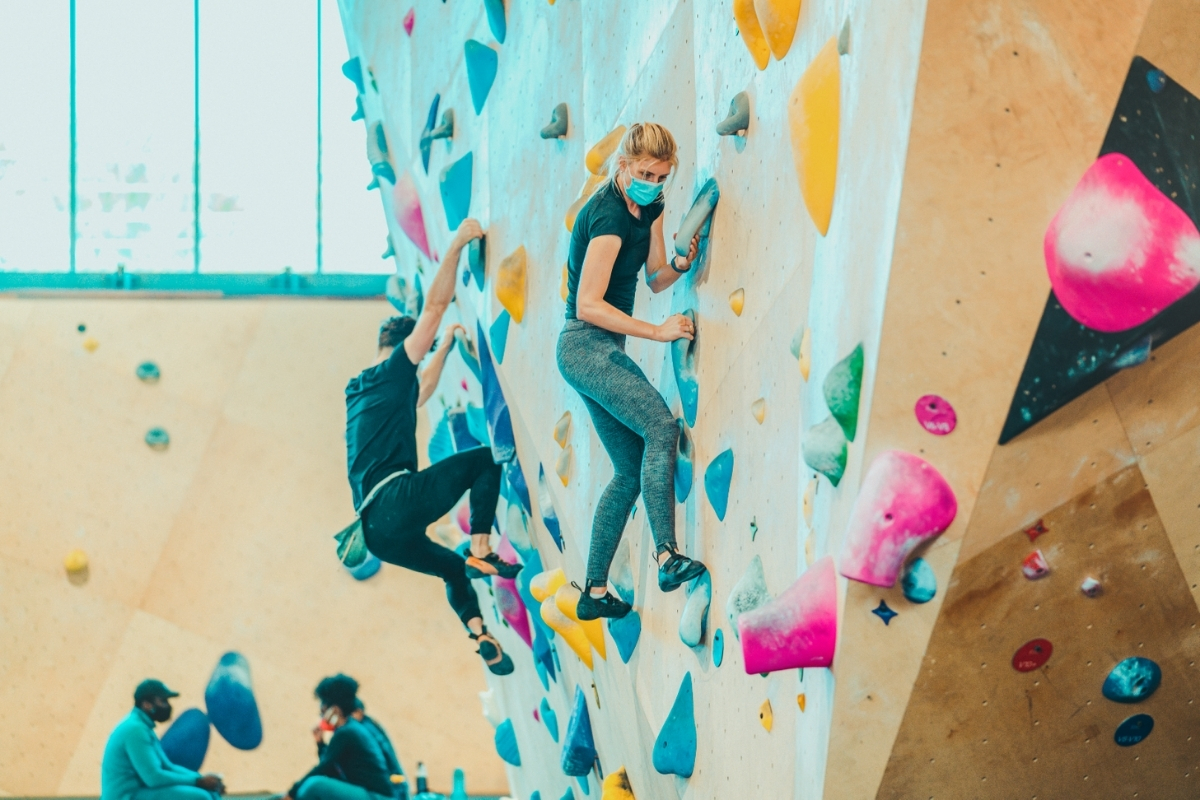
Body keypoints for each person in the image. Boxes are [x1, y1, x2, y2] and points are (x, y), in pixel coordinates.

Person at [345, 218, 519, 675]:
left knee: (451, 570)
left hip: (377, 533)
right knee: (485, 461)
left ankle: (480, 632)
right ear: (404, 347)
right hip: (396, 501)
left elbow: (419, 393)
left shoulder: (362, 391)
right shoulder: (394, 370)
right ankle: (480, 545)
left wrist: (444, 348)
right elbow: (436, 307)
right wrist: (458, 242)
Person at [557, 122, 709, 621]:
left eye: (662, 175)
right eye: (644, 172)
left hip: (599, 350)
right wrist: (656, 332)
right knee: (662, 427)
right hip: (586, 346)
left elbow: (654, 276)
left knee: (628, 470)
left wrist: (682, 266)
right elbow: (587, 305)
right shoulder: (605, 216)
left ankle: (594, 591)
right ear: (622, 165)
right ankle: (667, 556)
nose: (653, 181)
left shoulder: (651, 207)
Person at [100, 679, 226, 800]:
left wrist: (203, 779)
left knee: (210, 793)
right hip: (126, 796)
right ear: (147, 705)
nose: (167, 706)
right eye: (163, 701)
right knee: (201, 797)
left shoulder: (143, 727)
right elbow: (153, 778)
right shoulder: (135, 730)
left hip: (139, 792)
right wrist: (197, 781)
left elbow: (167, 767)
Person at [286, 675, 393, 800]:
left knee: (315, 785)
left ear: (334, 710)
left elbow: (323, 768)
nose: (321, 715)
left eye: (323, 710)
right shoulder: (349, 729)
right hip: (365, 793)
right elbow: (331, 768)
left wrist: (291, 794)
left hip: (375, 796)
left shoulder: (347, 732)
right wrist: (320, 744)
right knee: (308, 787)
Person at [312, 698, 406, 799]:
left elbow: (328, 765)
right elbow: (331, 766)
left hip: (389, 792)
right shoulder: (353, 731)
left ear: (358, 712)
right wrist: (320, 744)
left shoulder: (362, 731)